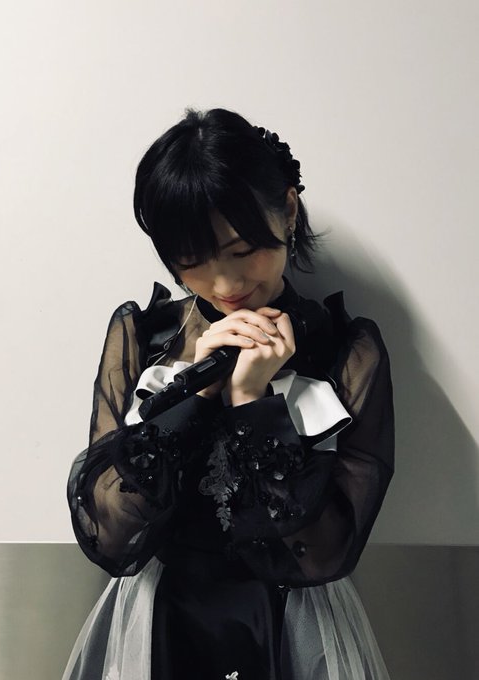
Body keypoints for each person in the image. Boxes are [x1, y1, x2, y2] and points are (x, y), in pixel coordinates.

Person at [63, 108, 394, 680]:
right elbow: (109, 535)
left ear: (288, 210)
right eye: (193, 262)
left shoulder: (346, 350)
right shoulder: (144, 337)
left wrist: (251, 403)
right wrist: (197, 390)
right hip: (160, 623)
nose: (226, 284)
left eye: (242, 251)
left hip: (293, 630)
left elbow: (328, 552)